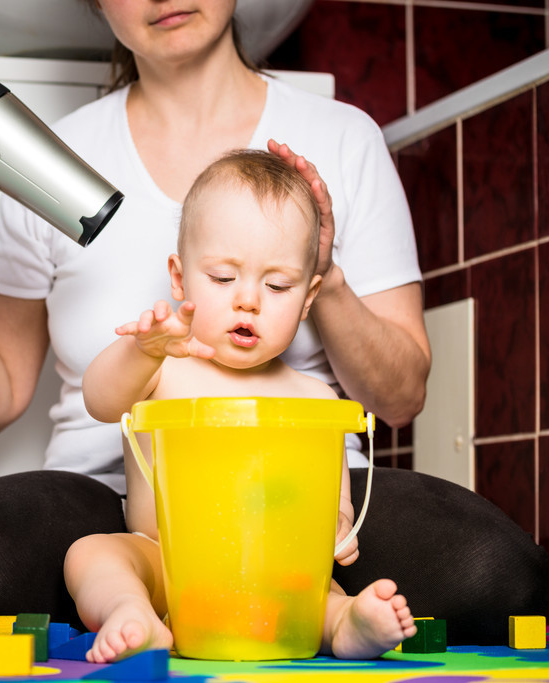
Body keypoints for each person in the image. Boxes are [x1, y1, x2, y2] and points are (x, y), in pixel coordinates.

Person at [0, 0, 549, 646]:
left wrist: (328, 275)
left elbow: (401, 398)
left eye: (275, 284)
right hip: (121, 500)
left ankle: (320, 613)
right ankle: (140, 604)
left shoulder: (344, 139)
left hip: (294, 502)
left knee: (500, 572)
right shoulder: (50, 159)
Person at [66, 149, 417, 662]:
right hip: (167, 566)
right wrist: (139, 351)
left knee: (318, 587)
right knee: (92, 554)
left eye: (277, 285)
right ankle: (132, 611)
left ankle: (345, 623)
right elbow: (100, 401)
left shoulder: (316, 399)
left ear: (309, 296)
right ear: (181, 279)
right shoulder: (163, 370)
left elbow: (335, 503)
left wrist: (339, 530)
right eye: (224, 278)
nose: (248, 299)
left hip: (274, 575)